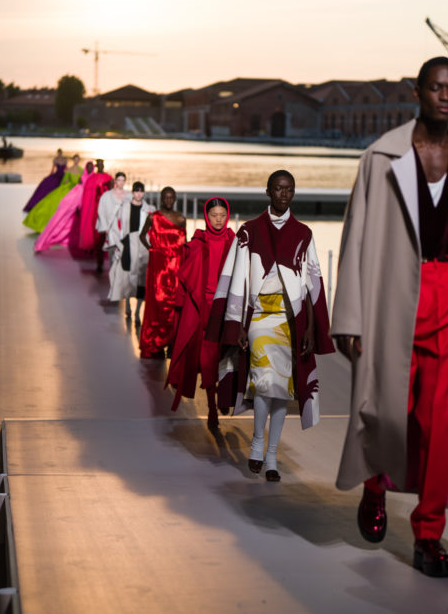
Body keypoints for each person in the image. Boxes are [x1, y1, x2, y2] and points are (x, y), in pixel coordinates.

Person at [332, 57, 448, 578]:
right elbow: (356, 237)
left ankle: (429, 536)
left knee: (439, 426)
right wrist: (351, 317)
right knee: (386, 409)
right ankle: (374, 486)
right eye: (436, 87)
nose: (445, 97)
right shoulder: (381, 157)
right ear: (418, 91)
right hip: (390, 298)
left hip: (445, 295)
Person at [208, 171, 334, 481]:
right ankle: (258, 444)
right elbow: (237, 277)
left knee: (283, 389)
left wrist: (310, 328)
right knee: (265, 382)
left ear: (294, 192)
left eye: (289, 189)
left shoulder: (303, 233)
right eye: (278, 188)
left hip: (290, 319)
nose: (283, 194)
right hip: (260, 317)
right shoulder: (249, 231)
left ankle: (273, 455)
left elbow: (311, 282)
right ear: (268, 191)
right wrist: (236, 324)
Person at [167, 197, 235, 430]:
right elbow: (185, 283)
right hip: (203, 308)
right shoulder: (197, 243)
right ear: (207, 216)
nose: (218, 219)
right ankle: (213, 407)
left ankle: (224, 397)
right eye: (214, 215)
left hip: (227, 308)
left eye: (222, 215)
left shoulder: (236, 243)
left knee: (226, 356)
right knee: (207, 359)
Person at [138, 187, 186, 359]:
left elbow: (184, 244)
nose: (168, 200)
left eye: (171, 197)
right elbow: (142, 236)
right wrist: (152, 250)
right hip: (158, 267)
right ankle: (156, 342)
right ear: (161, 198)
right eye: (165, 197)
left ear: (174, 199)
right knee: (157, 304)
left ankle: (172, 343)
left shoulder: (181, 219)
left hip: (176, 267)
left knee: (175, 305)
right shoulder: (154, 217)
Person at [105, 181, 154, 320]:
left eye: (141, 191)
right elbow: (116, 225)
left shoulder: (149, 209)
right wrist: (118, 244)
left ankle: (138, 311)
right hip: (127, 244)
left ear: (144, 193)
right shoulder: (124, 206)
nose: (139, 193)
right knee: (127, 276)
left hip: (143, 245)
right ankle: (127, 305)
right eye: (136, 191)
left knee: (141, 278)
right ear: (132, 192)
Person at [34, 160, 94, 252]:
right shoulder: (82, 178)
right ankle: (46, 240)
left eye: (91, 166)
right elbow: (78, 191)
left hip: (89, 203)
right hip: (79, 201)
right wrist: (78, 204)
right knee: (61, 219)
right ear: (86, 168)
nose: (90, 168)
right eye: (88, 166)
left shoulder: (94, 178)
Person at [23, 155, 85, 233]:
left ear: (79, 160)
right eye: (75, 160)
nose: (76, 161)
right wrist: (61, 188)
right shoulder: (70, 170)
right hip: (68, 188)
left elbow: (83, 180)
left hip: (78, 189)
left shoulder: (82, 170)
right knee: (53, 203)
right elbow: (65, 181)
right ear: (73, 160)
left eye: (77, 160)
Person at [77, 159, 113, 271]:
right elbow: (87, 197)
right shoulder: (92, 179)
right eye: (100, 165)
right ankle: (100, 262)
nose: (101, 166)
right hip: (95, 210)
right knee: (97, 234)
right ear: (97, 166)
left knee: (108, 235)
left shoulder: (109, 178)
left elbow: (113, 194)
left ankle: (108, 261)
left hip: (106, 210)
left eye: (103, 164)